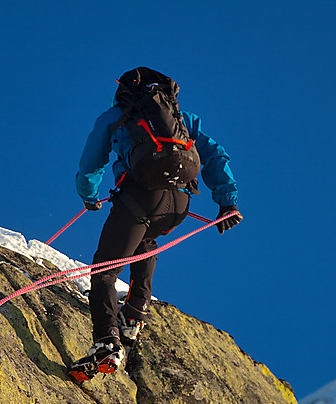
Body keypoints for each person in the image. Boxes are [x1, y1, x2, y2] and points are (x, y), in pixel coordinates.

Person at [68, 67, 242, 382]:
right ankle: (133, 315)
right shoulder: (182, 120)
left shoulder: (115, 117)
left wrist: (88, 195)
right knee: (146, 241)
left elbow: (92, 161)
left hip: (138, 198)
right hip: (178, 205)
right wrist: (227, 201)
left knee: (105, 272)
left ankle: (107, 341)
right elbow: (216, 155)